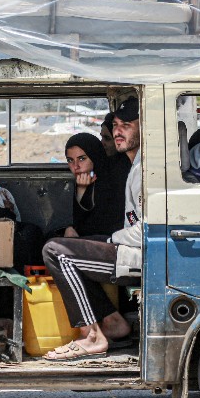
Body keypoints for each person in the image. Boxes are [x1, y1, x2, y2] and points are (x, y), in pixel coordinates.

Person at [41, 97, 142, 361]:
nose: (118, 131)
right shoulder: (134, 167)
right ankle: (111, 321)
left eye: (127, 125)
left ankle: (93, 335)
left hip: (139, 254)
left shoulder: (142, 172)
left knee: (56, 252)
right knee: (67, 247)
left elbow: (146, 230)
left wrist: (109, 238)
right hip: (127, 245)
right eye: (115, 125)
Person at [62, 133, 126, 238]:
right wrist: (81, 190)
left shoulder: (115, 181)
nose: (76, 166)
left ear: (94, 156)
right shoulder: (74, 185)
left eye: (82, 159)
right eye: (70, 160)